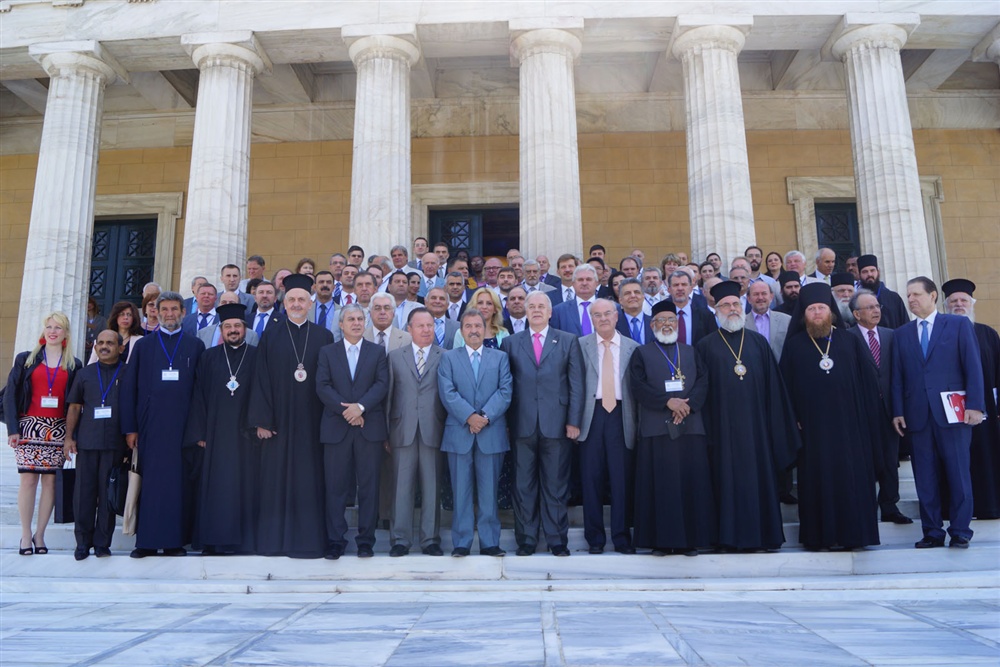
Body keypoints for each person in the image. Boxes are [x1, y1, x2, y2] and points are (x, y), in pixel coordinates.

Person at [696, 281, 801, 551]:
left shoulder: (757, 343)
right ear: (716, 310)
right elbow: (701, 393)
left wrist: (775, 427)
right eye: (725, 305)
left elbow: (774, 389)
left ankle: (764, 536)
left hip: (757, 432)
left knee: (759, 483)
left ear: (743, 307)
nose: (731, 309)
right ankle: (727, 538)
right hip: (722, 433)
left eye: (735, 304)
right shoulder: (705, 346)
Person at [779, 283, 881, 551]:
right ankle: (820, 537)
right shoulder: (794, 347)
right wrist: (794, 420)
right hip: (812, 431)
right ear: (804, 314)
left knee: (851, 480)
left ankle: (853, 536)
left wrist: (867, 420)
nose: (816, 313)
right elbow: (784, 391)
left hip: (851, 430)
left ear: (831, 312)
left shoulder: (850, 341)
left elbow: (869, 385)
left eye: (821, 308)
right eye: (811, 309)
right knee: (817, 482)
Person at [892, 276, 984, 549]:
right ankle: (932, 530)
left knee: (958, 473)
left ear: (933, 296)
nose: (911, 299)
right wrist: (898, 411)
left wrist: (975, 405)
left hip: (954, 415)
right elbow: (897, 376)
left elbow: (972, 366)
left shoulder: (957, 325)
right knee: (925, 478)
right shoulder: (902, 333)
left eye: (916, 294)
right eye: (908, 295)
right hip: (918, 416)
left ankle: (960, 530)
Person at [248, 273, 334, 558]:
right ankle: (275, 542)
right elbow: (260, 378)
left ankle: (309, 541)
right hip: (278, 423)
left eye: (302, 300)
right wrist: (262, 419)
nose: (296, 304)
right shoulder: (270, 335)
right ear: (284, 304)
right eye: (292, 300)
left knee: (310, 480)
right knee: (276, 480)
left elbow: (330, 381)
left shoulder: (324, 336)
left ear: (310, 304)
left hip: (312, 422)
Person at [120, 292, 205, 557]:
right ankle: (145, 542)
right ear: (155, 312)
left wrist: (199, 430)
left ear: (182, 311)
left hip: (183, 428)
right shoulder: (143, 346)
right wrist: (130, 428)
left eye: (174, 309)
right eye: (164, 309)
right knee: (151, 483)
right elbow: (129, 390)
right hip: (151, 426)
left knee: (178, 486)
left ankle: (173, 542)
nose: (169, 314)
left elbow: (202, 392)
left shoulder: (195, 345)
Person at [501, 292, 585, 557]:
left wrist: (573, 421)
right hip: (521, 424)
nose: (536, 310)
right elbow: (505, 386)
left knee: (556, 485)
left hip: (557, 424)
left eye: (541, 306)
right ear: (525, 312)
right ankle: (526, 539)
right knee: (523, 486)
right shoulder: (511, 343)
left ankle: (557, 540)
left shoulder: (568, 341)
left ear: (550, 313)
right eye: (532, 306)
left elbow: (576, 385)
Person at [629, 301, 715, 556]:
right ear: (652, 325)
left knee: (692, 484)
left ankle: (691, 541)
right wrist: (668, 402)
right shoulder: (642, 353)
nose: (666, 325)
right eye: (661, 321)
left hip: (690, 426)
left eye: (671, 320)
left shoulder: (690, 351)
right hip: (657, 429)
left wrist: (687, 405)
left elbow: (703, 381)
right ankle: (661, 541)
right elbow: (638, 386)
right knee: (661, 486)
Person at [183, 303, 259, 555]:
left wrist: (258, 424)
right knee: (216, 488)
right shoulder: (208, 357)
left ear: (245, 329)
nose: (233, 330)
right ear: (221, 330)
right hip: (214, 435)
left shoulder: (257, 355)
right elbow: (198, 396)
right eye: (228, 326)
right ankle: (213, 541)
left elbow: (263, 393)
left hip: (245, 435)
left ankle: (242, 542)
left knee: (244, 486)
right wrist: (201, 433)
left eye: (237, 326)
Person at [4, 312, 82, 556]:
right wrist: (13, 429)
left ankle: (40, 534)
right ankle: (26, 536)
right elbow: (10, 394)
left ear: (66, 333)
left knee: (49, 481)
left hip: (58, 429)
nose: (52, 331)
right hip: (29, 426)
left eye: (58, 327)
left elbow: (75, 403)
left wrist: (72, 436)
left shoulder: (74, 364)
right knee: (28, 480)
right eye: (49, 326)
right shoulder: (26, 359)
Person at [316, 303, 389, 559]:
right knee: (335, 487)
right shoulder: (327, 352)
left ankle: (366, 541)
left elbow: (382, 384)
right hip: (337, 428)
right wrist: (347, 411)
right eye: (351, 319)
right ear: (341, 324)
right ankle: (336, 540)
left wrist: (360, 408)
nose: (356, 323)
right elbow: (322, 386)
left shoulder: (377, 352)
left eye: (360, 319)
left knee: (368, 487)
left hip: (369, 427)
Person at [438, 308, 513, 557]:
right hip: (459, 433)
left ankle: (490, 542)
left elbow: (505, 391)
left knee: (489, 491)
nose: (473, 330)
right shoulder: (449, 358)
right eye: (468, 326)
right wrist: (469, 417)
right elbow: (447, 392)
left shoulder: (499, 357)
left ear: (485, 329)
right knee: (461, 491)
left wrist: (484, 418)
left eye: (477, 326)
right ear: (461, 331)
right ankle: (462, 542)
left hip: (490, 434)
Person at [577, 299, 639, 554]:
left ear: (616, 316)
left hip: (621, 417)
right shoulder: (580, 346)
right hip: (590, 417)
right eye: (597, 315)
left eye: (607, 314)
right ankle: (595, 539)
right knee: (591, 479)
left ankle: (622, 537)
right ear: (591, 319)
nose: (603, 318)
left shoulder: (633, 348)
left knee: (621, 479)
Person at [386, 308, 446, 557]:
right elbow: (388, 396)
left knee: (432, 487)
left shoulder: (446, 356)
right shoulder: (394, 357)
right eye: (420, 326)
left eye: (430, 325)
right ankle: (400, 539)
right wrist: (386, 432)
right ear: (409, 329)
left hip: (434, 429)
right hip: (402, 429)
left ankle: (430, 539)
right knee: (401, 487)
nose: (426, 330)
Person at [849, 289, 912, 524]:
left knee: (889, 459)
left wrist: (900, 408)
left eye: (877, 306)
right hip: (861, 410)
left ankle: (889, 506)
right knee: (864, 460)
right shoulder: (847, 338)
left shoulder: (891, 336)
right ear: (856, 314)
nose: (876, 311)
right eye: (870, 307)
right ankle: (864, 507)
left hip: (890, 411)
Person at [64, 329, 126, 559]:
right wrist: (69, 437)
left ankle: (102, 543)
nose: (104, 346)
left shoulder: (128, 372)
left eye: (110, 343)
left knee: (107, 494)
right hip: (87, 443)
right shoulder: (84, 374)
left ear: (120, 347)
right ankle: (82, 542)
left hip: (115, 443)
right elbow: (74, 407)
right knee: (84, 494)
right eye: (100, 342)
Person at [943, 278, 1000, 519]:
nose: (959, 304)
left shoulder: (987, 333)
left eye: (963, 300)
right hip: (950, 413)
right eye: (953, 301)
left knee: (987, 457)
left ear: (971, 303)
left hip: (985, 411)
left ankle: (988, 506)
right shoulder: (940, 333)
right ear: (946, 305)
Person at [857, 254, 908, 329]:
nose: (869, 274)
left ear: (878, 272)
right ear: (859, 275)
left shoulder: (894, 298)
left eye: (872, 270)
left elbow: (905, 325)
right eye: (865, 272)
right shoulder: (857, 300)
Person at [744, 280, 790, 361]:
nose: (760, 297)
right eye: (756, 294)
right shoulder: (741, 323)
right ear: (749, 299)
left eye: (764, 293)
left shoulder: (786, 320)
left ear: (771, 297)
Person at [549, 263, 599, 336]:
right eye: (580, 280)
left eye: (588, 279)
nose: (584, 283)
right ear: (573, 283)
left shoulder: (610, 308)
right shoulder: (559, 311)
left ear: (596, 283)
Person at [615, 278, 653, 345]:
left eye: (636, 292)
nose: (633, 296)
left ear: (643, 297)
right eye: (627, 293)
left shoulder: (654, 323)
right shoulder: (614, 325)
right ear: (620, 300)